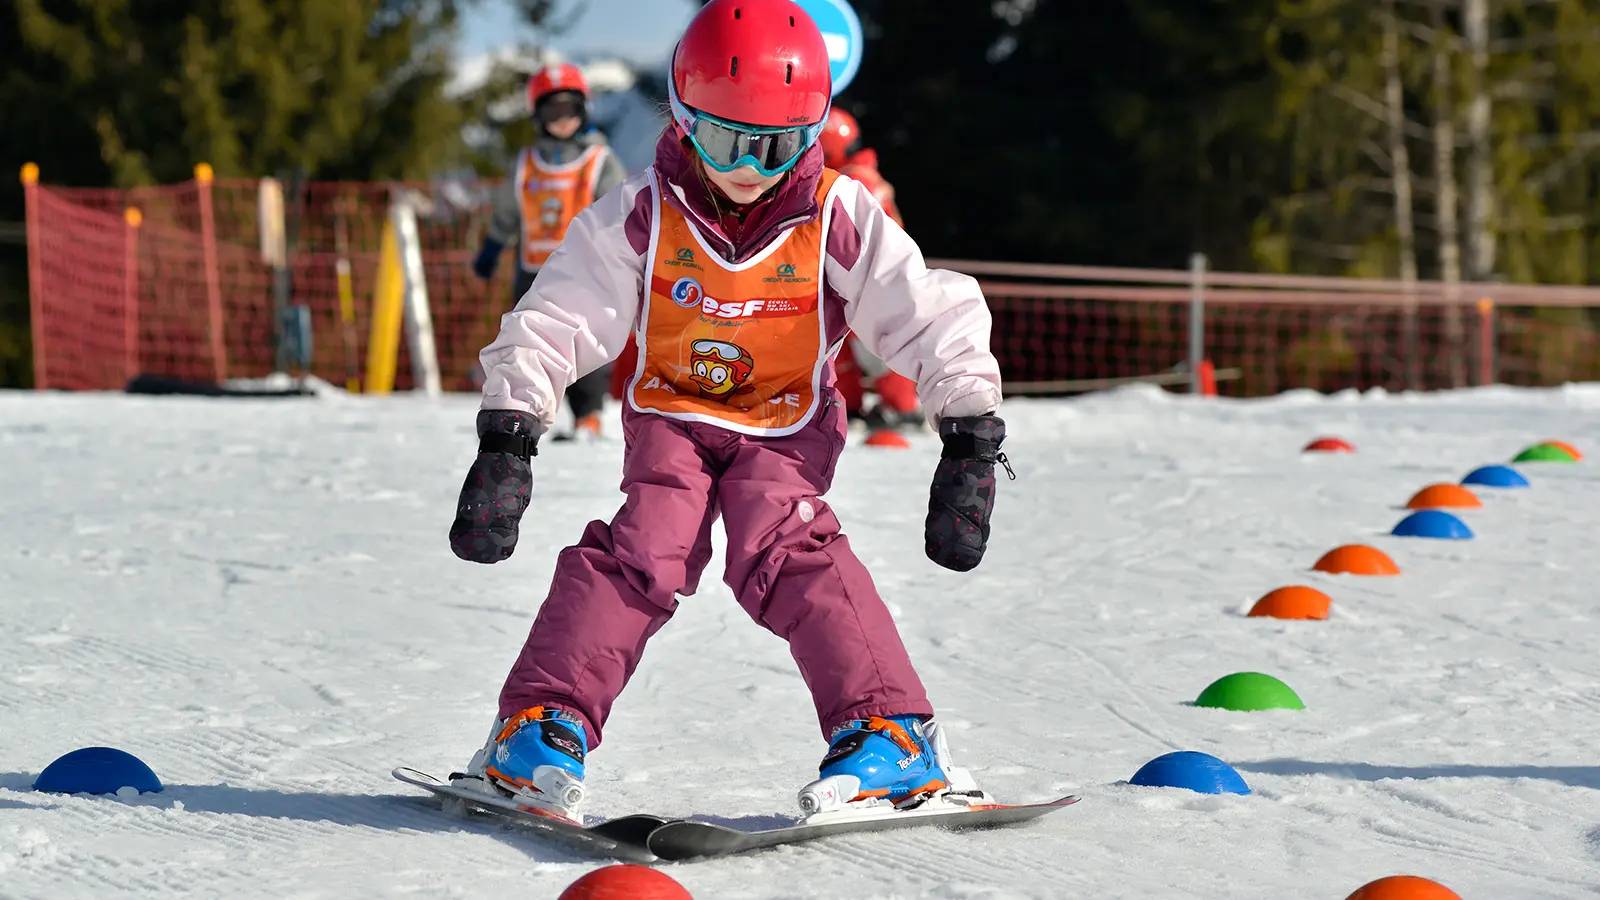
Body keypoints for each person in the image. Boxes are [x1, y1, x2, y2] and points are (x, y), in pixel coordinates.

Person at [447, 0, 1011, 823]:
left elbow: (923, 311)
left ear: (813, 130)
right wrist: (510, 434)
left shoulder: (836, 214)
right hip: (671, 418)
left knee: (785, 550)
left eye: (778, 146)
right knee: (645, 553)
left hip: (781, 429)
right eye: (725, 140)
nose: (750, 168)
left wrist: (968, 433)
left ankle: (892, 734)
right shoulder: (642, 215)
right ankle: (538, 726)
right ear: (683, 117)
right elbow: (557, 316)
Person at [473, 62, 628, 441]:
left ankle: (588, 414)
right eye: (552, 111)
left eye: (569, 110)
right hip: (533, 272)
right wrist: (492, 247)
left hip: (584, 274)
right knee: (527, 342)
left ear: (583, 111)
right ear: (537, 115)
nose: (562, 120)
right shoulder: (526, 163)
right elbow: (509, 211)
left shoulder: (599, 161)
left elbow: (618, 210)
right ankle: (525, 412)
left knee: (584, 346)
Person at [819, 107, 922, 430]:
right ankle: (853, 406)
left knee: (873, 345)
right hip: (875, 275)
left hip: (870, 276)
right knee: (853, 344)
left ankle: (900, 408)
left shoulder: (850, 180)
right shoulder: (862, 174)